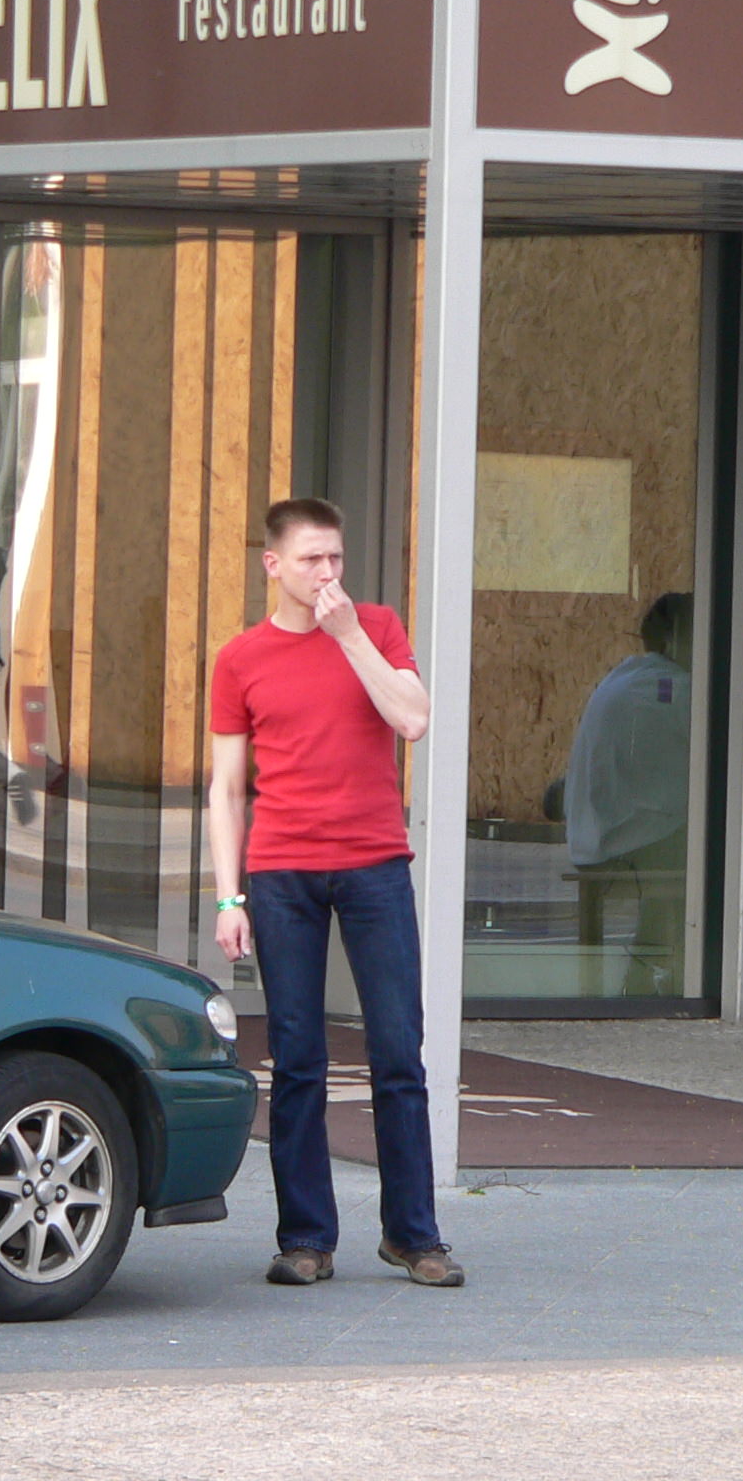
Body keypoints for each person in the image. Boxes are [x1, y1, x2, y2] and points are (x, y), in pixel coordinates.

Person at [208, 496, 461, 1291]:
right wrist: (228, 898)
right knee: (297, 1056)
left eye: (336, 558)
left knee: (398, 1049)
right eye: (311, 559)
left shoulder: (375, 628)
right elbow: (225, 789)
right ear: (273, 564)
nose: (327, 573)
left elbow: (413, 720)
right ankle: (306, 1238)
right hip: (282, 872)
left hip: (374, 863)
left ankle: (414, 1236)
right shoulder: (240, 658)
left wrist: (349, 634)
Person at [562, 592, 693, 994]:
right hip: (627, 839)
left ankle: (644, 975)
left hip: (599, 833)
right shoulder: (672, 687)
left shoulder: (626, 676)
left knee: (679, 833)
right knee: (714, 854)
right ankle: (679, 974)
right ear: (676, 638)